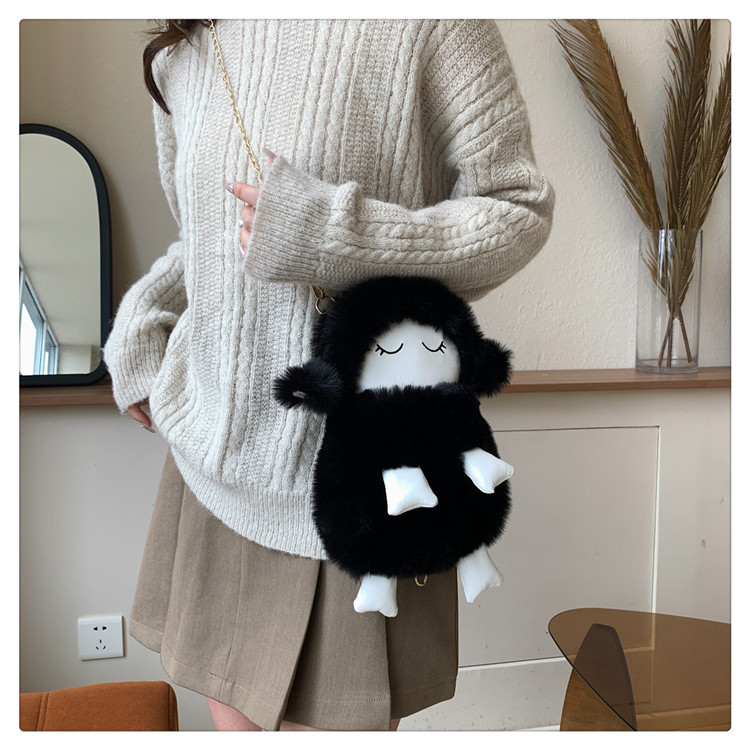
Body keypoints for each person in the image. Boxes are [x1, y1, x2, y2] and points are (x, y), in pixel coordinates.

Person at [104, 19, 554, 731]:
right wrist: (141, 318)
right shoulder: (187, 40)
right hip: (212, 464)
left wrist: (338, 237)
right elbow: (208, 235)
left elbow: (517, 208)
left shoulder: (432, 24)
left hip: (355, 486)